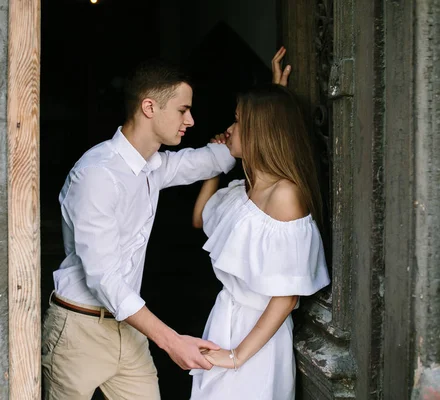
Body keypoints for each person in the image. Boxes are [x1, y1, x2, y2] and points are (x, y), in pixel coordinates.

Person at [42, 49, 292, 400]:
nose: (190, 120)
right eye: (182, 110)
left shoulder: (152, 166)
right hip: (79, 329)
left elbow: (211, 158)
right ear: (149, 108)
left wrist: (268, 108)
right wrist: (171, 341)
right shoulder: (97, 174)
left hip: (129, 330)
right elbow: (103, 277)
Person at [189, 81, 330, 398]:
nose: (230, 128)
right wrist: (216, 167)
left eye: (238, 120)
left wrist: (236, 356)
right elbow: (200, 219)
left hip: (257, 341)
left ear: (259, 131)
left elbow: (286, 297)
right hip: (224, 321)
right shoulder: (244, 189)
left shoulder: (286, 195)